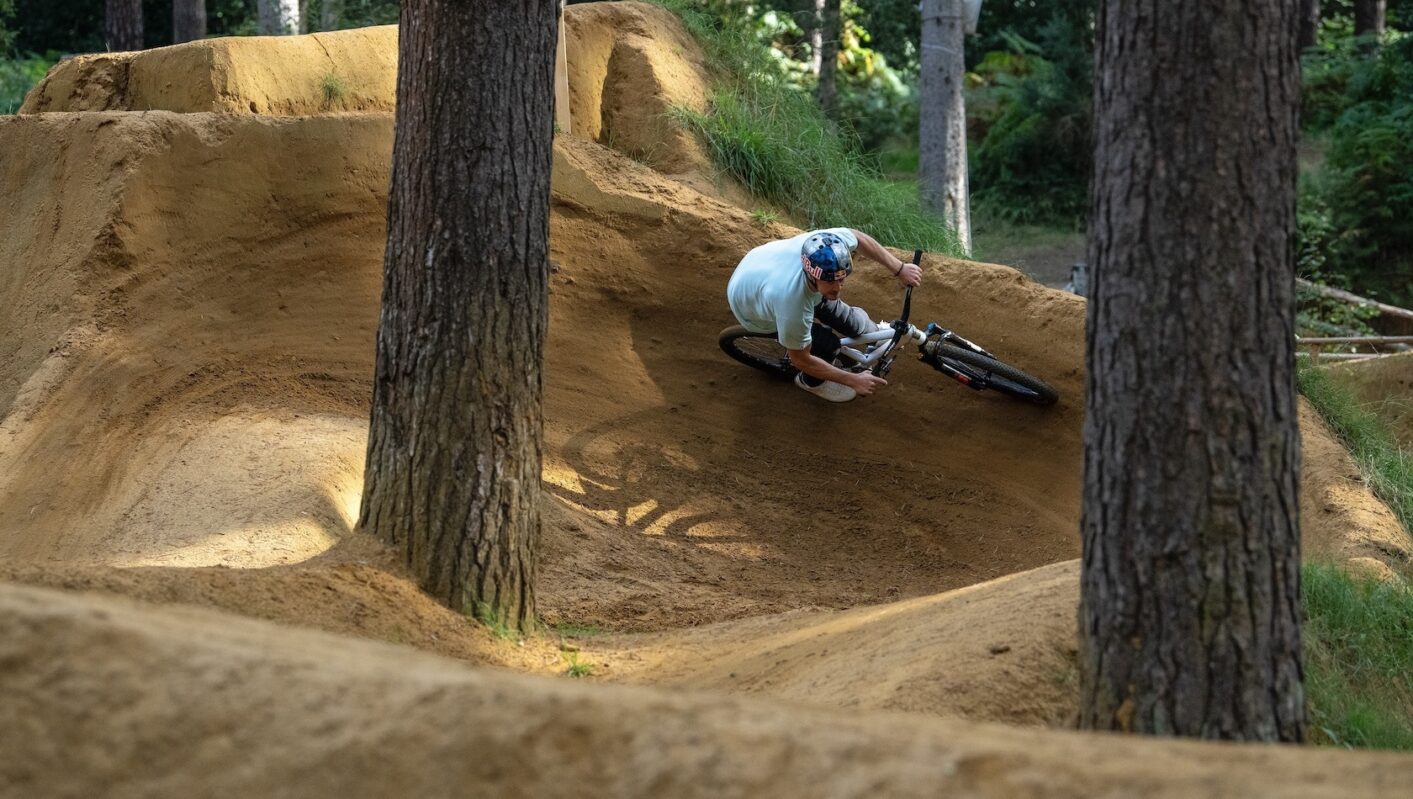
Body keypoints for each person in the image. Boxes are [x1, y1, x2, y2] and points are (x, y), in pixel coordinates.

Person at [726, 228, 923, 402]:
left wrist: (900, 268)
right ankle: (810, 383)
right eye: (830, 282)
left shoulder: (828, 246)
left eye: (841, 279)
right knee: (827, 346)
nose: (838, 289)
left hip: (762, 266)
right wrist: (853, 380)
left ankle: (872, 332)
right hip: (752, 308)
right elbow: (800, 359)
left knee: (852, 321)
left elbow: (859, 238)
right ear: (812, 275)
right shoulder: (792, 303)